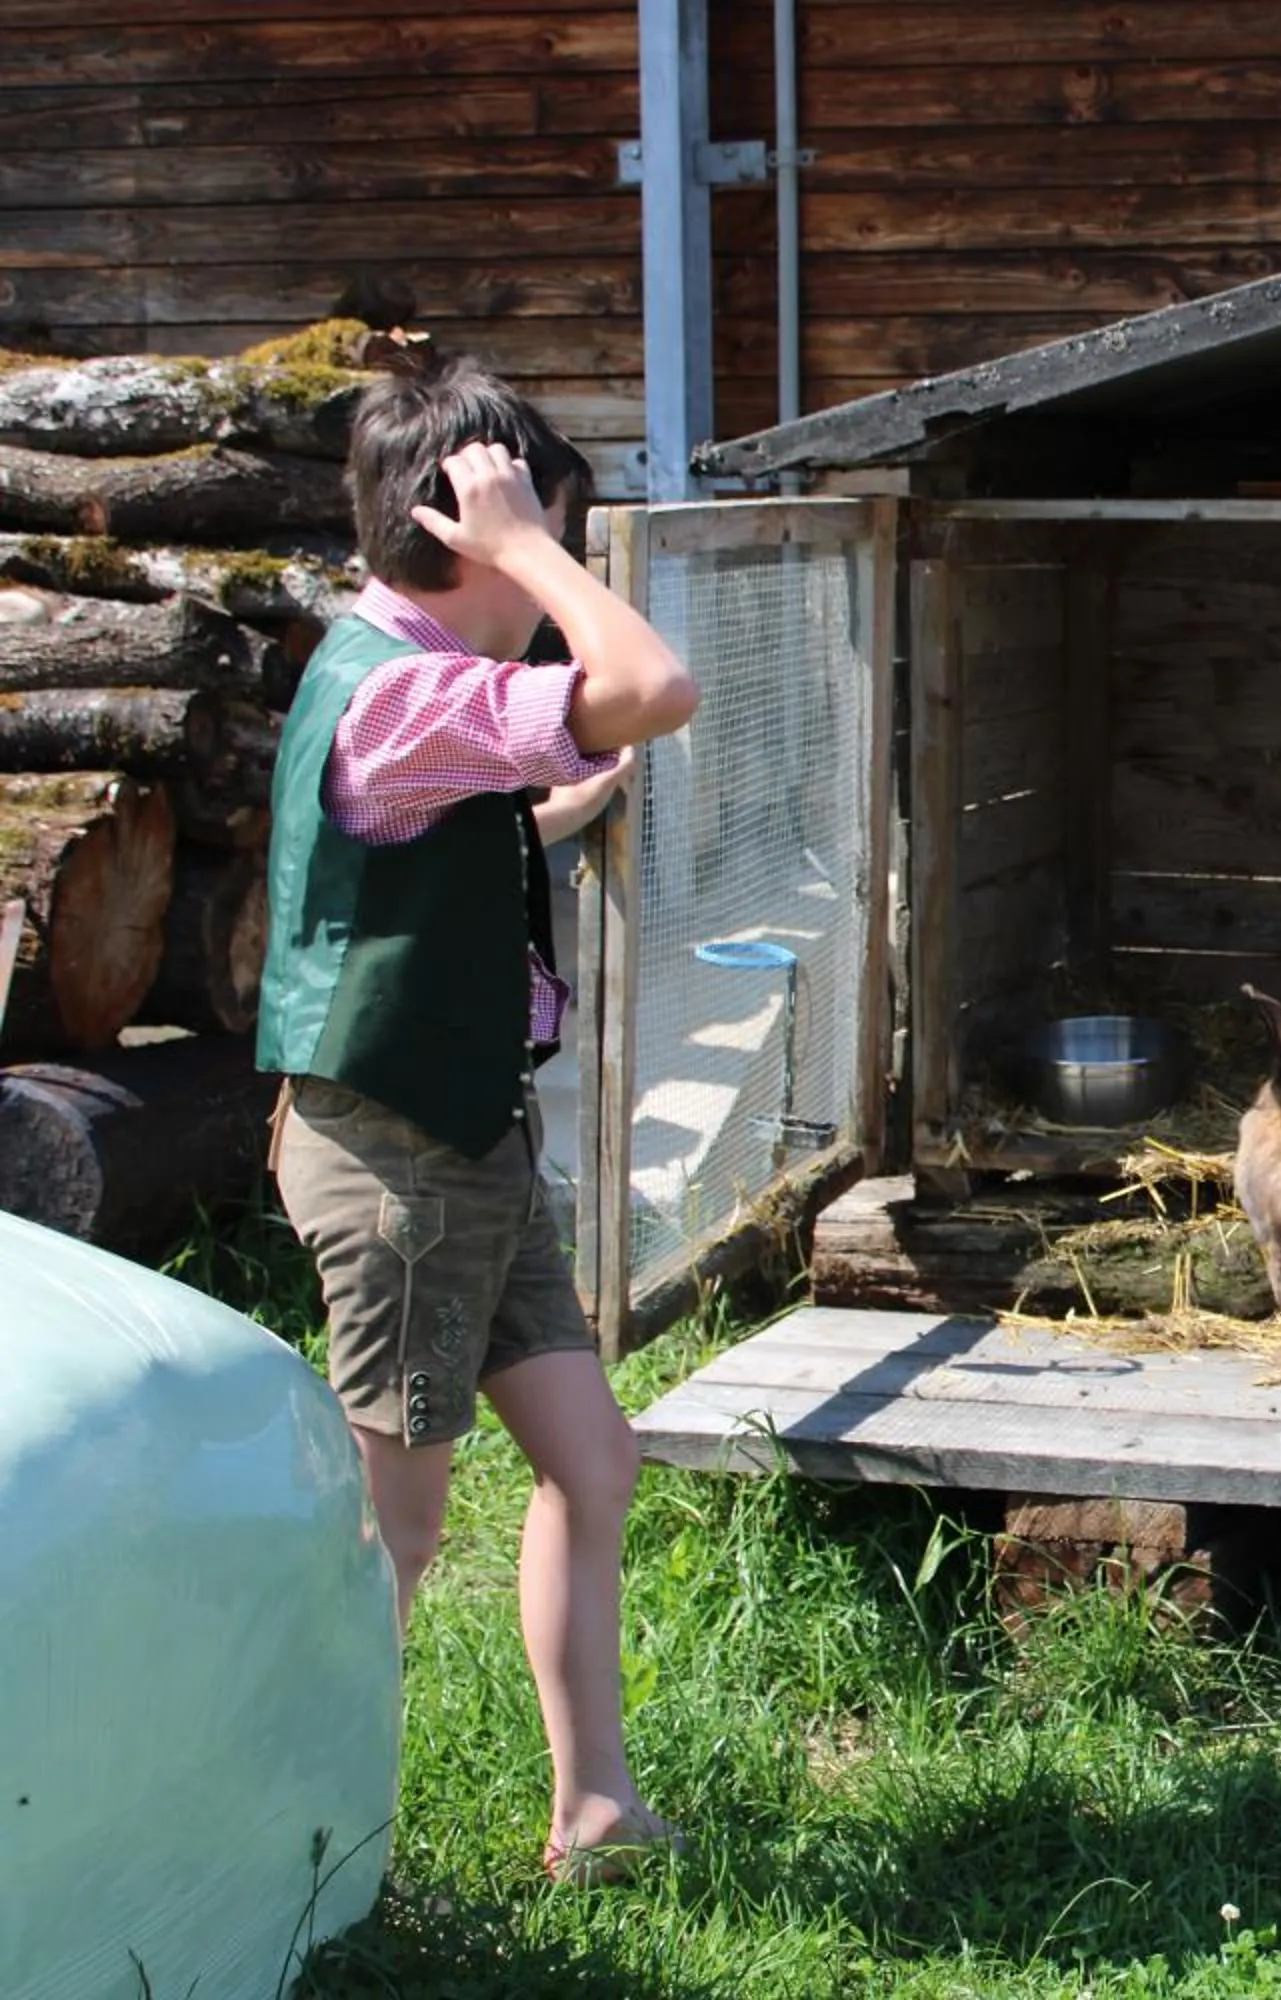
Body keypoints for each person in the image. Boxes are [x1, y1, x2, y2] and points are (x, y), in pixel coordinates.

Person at [257, 358, 699, 1885]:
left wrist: (568, 793)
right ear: (469, 539)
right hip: (401, 1167)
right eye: (537, 545)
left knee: (592, 1465)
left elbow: (475, 812)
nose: (547, 582)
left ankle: (593, 1807)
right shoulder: (405, 688)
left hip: (469, 1145)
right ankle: (289, 1844)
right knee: (392, 1538)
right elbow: (655, 684)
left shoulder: (409, 687)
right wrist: (532, 546)